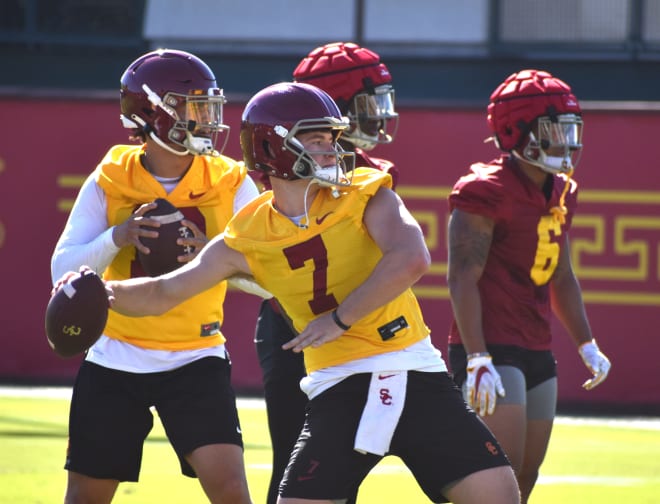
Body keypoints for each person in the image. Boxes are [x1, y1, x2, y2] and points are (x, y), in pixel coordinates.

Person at [64, 81, 521, 503]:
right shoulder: (248, 232)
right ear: (273, 147)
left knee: (500, 496)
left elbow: (411, 258)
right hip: (337, 385)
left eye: (331, 138)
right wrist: (99, 292)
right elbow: (166, 292)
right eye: (317, 138)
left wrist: (338, 320)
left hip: (413, 369)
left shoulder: (365, 191)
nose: (332, 149)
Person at [50, 49, 258, 503]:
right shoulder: (111, 175)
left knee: (230, 490)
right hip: (115, 352)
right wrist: (118, 236)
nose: (208, 120)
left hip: (196, 352)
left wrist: (214, 254)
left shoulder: (232, 180)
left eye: (209, 107)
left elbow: (268, 279)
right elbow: (62, 270)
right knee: (86, 495)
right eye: (193, 107)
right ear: (152, 114)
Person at [446, 69, 612, 503]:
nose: (567, 142)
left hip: (537, 345)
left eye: (571, 130)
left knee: (525, 479)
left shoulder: (560, 190)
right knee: (492, 479)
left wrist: (586, 343)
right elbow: (462, 276)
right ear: (515, 132)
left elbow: (561, 273)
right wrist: (476, 355)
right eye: (555, 131)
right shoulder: (485, 189)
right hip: (491, 347)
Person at [251, 41, 400, 504]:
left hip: (357, 333)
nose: (379, 114)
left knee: (342, 471)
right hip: (294, 327)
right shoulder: (275, 169)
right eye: (367, 103)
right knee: (296, 470)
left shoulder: (370, 174)